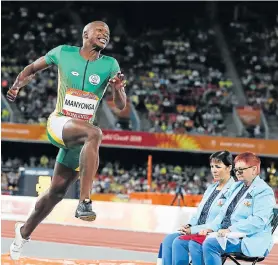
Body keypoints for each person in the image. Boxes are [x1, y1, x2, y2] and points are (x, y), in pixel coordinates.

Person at [7, 21, 127, 260]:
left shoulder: (110, 64)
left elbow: (121, 105)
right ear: (86, 34)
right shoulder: (63, 52)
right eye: (100, 31)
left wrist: (118, 89)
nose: (105, 35)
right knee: (95, 132)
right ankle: (84, 202)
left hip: (80, 140)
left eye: (108, 33)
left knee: (57, 192)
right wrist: (16, 85)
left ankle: (23, 232)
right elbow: (32, 68)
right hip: (60, 123)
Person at [193, 152, 276, 265]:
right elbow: (223, 214)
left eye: (241, 169)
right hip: (227, 235)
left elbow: (258, 221)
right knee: (195, 243)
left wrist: (231, 230)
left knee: (210, 244)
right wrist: (210, 228)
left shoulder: (264, 191)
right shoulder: (236, 187)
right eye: (236, 170)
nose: (238, 173)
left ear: (254, 169)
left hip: (250, 239)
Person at [159, 151, 235, 265]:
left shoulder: (234, 190)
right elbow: (199, 213)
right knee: (168, 240)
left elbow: (221, 221)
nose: (214, 170)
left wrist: (193, 230)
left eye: (218, 167)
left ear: (229, 168)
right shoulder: (211, 188)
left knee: (178, 243)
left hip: (210, 233)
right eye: (212, 166)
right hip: (196, 229)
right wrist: (189, 225)